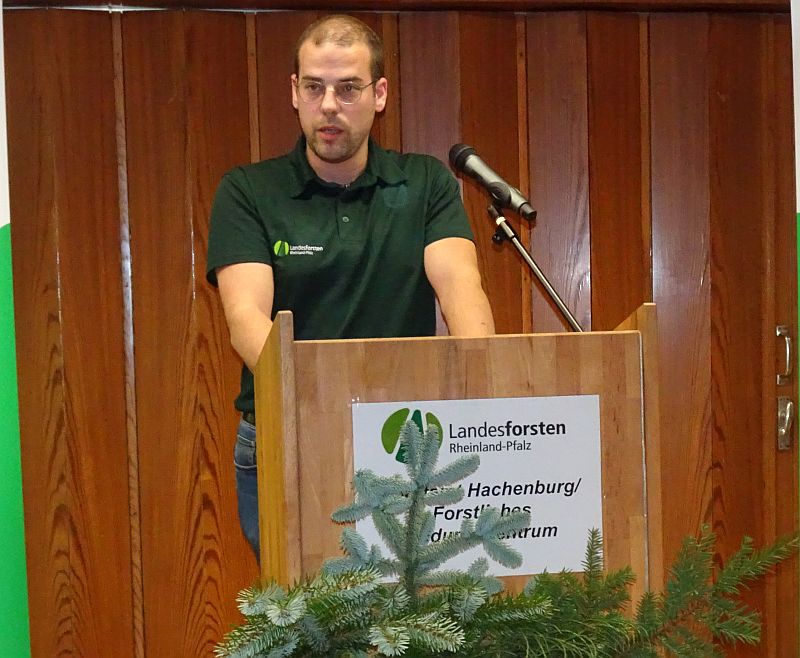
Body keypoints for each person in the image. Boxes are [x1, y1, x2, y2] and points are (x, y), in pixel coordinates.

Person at [206, 14, 494, 558]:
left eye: (348, 88)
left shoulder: (425, 182)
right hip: (286, 434)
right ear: (294, 93)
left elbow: (462, 288)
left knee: (416, 618)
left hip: (404, 438)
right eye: (314, 87)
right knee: (306, 621)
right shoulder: (249, 191)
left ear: (379, 94)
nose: (329, 105)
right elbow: (246, 319)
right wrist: (322, 406)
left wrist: (482, 392)